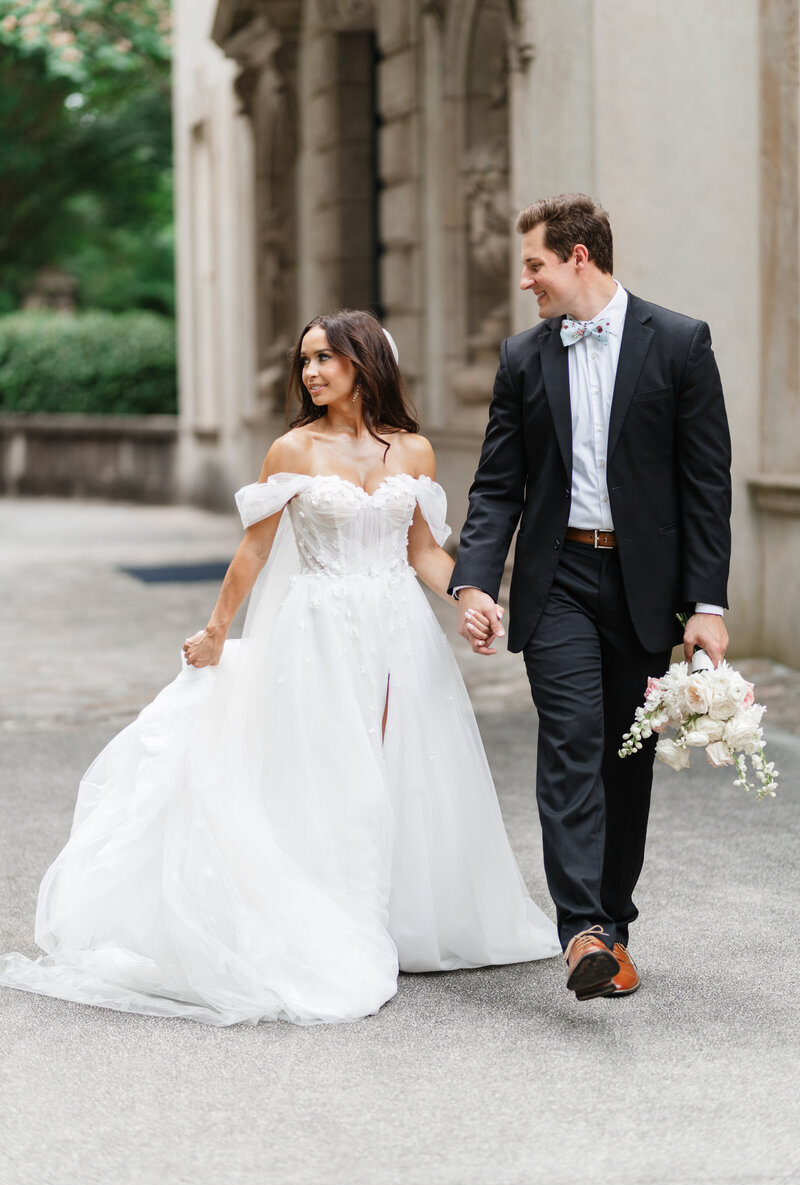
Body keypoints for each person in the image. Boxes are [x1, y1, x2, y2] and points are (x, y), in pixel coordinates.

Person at [0, 309, 559, 1026]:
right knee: (334, 770)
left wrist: (469, 596)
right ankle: (339, 918)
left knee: (399, 763)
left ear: (364, 362)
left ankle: (400, 917)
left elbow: (422, 550)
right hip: (319, 627)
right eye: (305, 361)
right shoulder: (292, 450)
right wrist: (215, 632)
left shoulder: (414, 452)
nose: (311, 372)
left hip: (397, 628)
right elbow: (255, 551)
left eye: (325, 358)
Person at [450, 194, 731, 1001]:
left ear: (578, 256)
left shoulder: (679, 343)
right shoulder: (521, 358)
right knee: (571, 740)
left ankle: (614, 926)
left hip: (646, 588)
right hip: (560, 579)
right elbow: (498, 485)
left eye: (534, 263)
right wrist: (475, 578)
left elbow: (704, 484)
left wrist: (705, 602)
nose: (527, 280)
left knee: (625, 758)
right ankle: (581, 932)